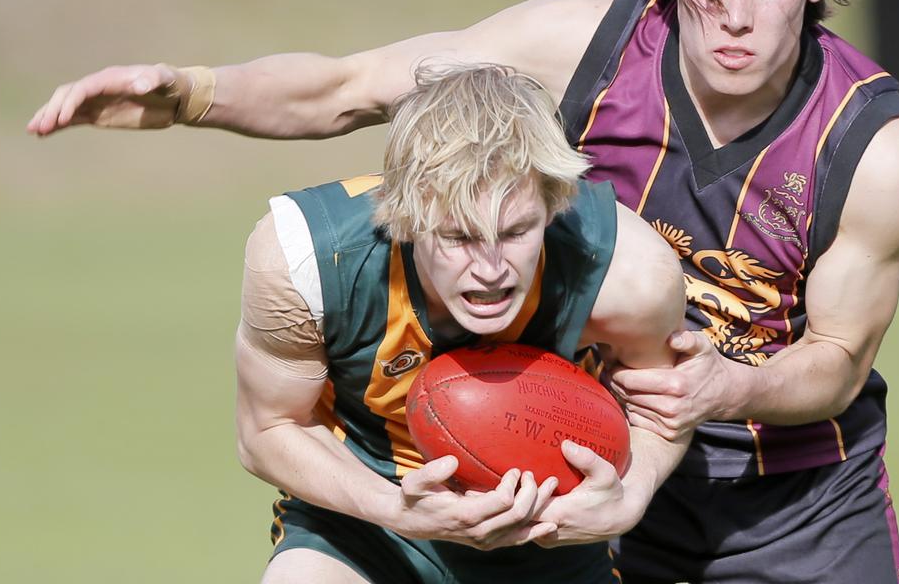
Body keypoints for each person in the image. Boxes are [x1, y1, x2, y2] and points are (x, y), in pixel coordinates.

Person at [30, 0, 899, 581]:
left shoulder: (872, 146)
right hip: (584, 451)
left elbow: (840, 362)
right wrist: (193, 92)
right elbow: (352, 86)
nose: (735, 16)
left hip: (798, 501)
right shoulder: (589, 47)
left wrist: (725, 391)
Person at [234, 63, 688, 583]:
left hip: (550, 528)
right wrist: (392, 508)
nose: (492, 270)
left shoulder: (628, 273)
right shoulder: (307, 261)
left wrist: (632, 494)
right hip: (366, 517)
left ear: (552, 204)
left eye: (516, 230)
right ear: (406, 215)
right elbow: (266, 429)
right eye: (458, 237)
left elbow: (663, 409)